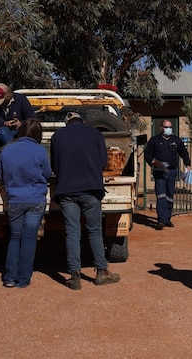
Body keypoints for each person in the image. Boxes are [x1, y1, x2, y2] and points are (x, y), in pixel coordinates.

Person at [51, 111, 121, 290]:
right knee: (94, 232)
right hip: (91, 189)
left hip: (66, 191)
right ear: (82, 121)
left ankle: (74, 276)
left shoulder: (57, 136)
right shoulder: (95, 134)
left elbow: (54, 165)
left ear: (67, 123)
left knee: (72, 232)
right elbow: (103, 161)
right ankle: (101, 272)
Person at [0, 117, 51, 288]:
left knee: (15, 238)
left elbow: (0, 176)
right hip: (35, 199)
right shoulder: (40, 150)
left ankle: (10, 277)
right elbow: (47, 174)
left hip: (15, 199)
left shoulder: (7, 150)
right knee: (29, 239)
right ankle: (23, 279)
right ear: (38, 133)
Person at [144, 119, 191, 230]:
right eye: (166, 127)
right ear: (161, 128)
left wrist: (187, 165)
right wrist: (153, 162)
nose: (168, 129)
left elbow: (184, 153)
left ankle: (167, 219)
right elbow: (147, 155)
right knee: (161, 195)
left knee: (169, 195)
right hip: (159, 171)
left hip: (172, 171)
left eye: (170, 127)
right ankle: (160, 220)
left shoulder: (176, 140)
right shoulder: (154, 140)